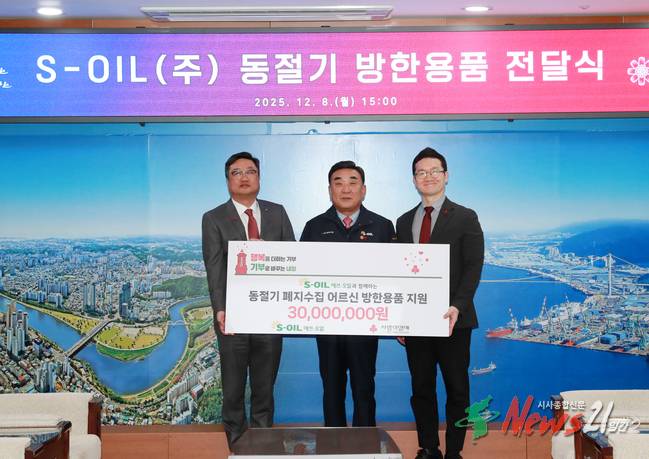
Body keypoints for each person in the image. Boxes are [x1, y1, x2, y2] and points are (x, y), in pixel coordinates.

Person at [202, 151, 295, 446]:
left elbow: (294, 259)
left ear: (259, 178)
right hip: (233, 317)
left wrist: (267, 252)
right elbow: (214, 267)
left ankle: (262, 446)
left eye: (250, 171)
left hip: (270, 315)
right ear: (228, 180)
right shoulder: (214, 218)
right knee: (232, 390)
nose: (244, 177)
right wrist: (220, 309)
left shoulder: (277, 213)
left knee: (264, 389)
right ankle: (237, 446)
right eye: (236, 172)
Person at [396, 147, 484, 459]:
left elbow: (473, 267)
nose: (428, 176)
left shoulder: (465, 216)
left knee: (457, 389)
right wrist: (399, 319)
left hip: (454, 320)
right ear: (414, 179)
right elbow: (399, 274)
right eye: (422, 172)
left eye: (435, 171)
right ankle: (429, 448)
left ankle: (454, 451)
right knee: (421, 388)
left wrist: (458, 306)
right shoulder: (403, 221)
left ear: (446, 176)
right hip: (417, 322)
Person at [300, 160, 395, 427]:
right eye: (338, 183)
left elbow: (397, 279)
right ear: (329, 190)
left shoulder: (383, 226)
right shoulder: (314, 227)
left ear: (363, 190)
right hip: (327, 326)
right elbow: (300, 279)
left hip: (366, 326)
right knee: (332, 390)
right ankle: (334, 446)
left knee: (364, 390)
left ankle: (365, 445)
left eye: (353, 183)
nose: (346, 189)